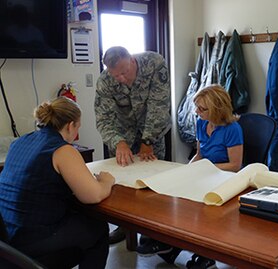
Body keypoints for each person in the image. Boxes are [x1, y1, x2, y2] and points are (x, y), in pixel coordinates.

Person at [0, 97, 115, 269]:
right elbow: (94, 195)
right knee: (98, 228)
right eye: (78, 127)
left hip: (7, 238)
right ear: (70, 125)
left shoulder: (19, 142)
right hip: (31, 241)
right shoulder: (63, 150)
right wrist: (107, 181)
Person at [141, 84, 243, 269]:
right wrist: (186, 171)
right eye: (196, 107)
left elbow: (235, 165)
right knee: (174, 198)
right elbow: (199, 154)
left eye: (202, 108)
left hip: (224, 177)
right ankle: (171, 244)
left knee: (199, 209)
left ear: (217, 108)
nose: (196, 112)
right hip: (204, 174)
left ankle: (204, 254)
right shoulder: (201, 123)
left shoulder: (232, 129)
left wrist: (205, 169)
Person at [94, 46, 172, 249]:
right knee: (122, 187)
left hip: (153, 130)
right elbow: (103, 119)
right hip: (123, 135)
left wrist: (148, 141)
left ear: (131, 60)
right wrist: (117, 142)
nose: (120, 78)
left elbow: (159, 105)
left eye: (124, 72)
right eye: (115, 74)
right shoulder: (105, 81)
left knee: (154, 184)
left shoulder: (154, 64)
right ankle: (124, 227)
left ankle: (156, 232)